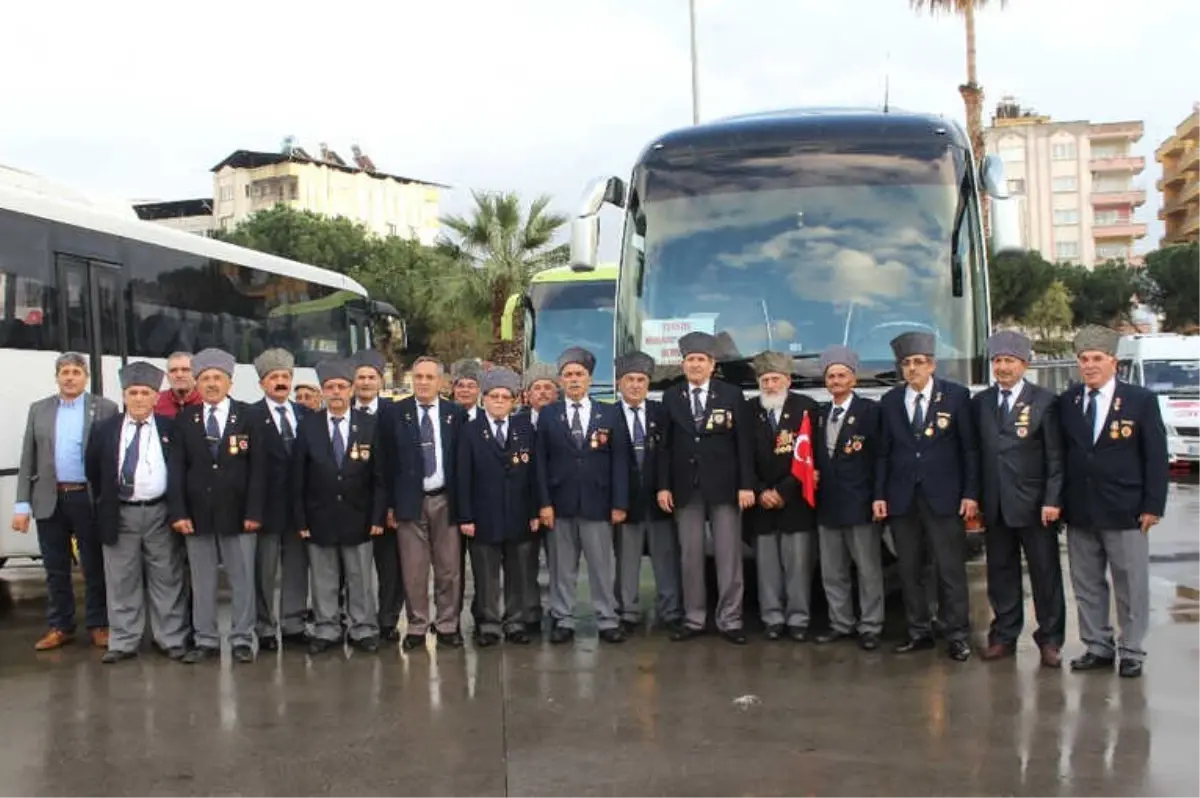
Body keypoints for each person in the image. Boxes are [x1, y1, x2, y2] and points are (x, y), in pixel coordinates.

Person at [1058, 325, 1167, 679]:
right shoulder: (1070, 401)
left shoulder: (1139, 400)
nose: (1089, 366)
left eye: (1097, 359)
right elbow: (1062, 454)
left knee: (1130, 584)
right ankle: (1097, 646)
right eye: (1084, 360)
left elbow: (1155, 456)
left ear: (1113, 363)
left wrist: (1153, 505)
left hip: (1126, 509)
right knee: (1087, 584)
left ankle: (1132, 650)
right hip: (1081, 509)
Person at [875, 332, 978, 662]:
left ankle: (957, 634)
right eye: (906, 364)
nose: (913, 369)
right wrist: (880, 494)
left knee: (949, 569)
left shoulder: (956, 397)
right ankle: (918, 631)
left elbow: (969, 451)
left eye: (919, 362)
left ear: (932, 365)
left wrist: (970, 493)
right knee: (910, 569)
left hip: (944, 496)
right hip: (903, 498)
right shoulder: (890, 402)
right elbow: (883, 454)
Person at [971, 331, 1066, 668]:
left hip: (1035, 505)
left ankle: (1050, 639)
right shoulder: (981, 403)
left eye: (1009, 361)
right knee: (1000, 573)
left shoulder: (1044, 401)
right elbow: (975, 453)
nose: (1003, 367)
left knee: (1045, 575)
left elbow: (1056, 457)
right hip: (995, 504)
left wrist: (1053, 499)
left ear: (1024, 364)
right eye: (997, 361)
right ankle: (1004, 636)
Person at [13, 352, 118, 651]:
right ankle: (61, 625)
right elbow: (27, 459)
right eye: (64, 372)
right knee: (55, 567)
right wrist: (22, 505)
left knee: (94, 565)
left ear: (85, 376)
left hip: (86, 498)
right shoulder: (39, 410)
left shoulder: (105, 409)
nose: (70, 377)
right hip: (49, 498)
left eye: (75, 372)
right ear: (57, 377)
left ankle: (99, 624)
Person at [86, 361, 190, 663]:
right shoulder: (104, 430)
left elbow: (180, 471)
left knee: (167, 577)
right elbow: (93, 469)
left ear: (157, 397)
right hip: (120, 513)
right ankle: (123, 641)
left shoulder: (172, 429)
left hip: (160, 512)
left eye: (146, 392)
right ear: (124, 395)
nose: (140, 398)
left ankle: (170, 638)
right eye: (133, 392)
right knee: (121, 579)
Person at [168, 348, 266, 664]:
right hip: (197, 516)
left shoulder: (249, 416)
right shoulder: (184, 420)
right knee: (203, 582)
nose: (211, 384)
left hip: (239, 515)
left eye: (217, 378)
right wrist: (179, 512)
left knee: (242, 582)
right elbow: (176, 471)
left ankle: (241, 638)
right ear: (197, 383)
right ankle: (206, 639)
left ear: (230, 382)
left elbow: (258, 471)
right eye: (206, 378)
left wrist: (254, 512)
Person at [657, 331, 755, 645]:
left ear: (712, 365)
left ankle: (730, 619)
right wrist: (663, 487)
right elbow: (664, 448)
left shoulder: (731, 394)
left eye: (701, 359)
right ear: (683, 364)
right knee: (690, 556)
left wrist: (746, 485)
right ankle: (694, 618)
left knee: (729, 556)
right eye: (690, 360)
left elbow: (743, 445)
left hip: (725, 487)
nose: (695, 365)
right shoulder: (672, 397)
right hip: (686, 488)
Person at [536, 347, 629, 644]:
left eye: (579, 374)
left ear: (590, 378)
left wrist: (619, 503)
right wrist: (544, 503)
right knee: (562, 568)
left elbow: (620, 461)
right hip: (560, 504)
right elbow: (539, 462)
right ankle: (563, 618)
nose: (574, 380)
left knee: (602, 566)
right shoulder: (549, 415)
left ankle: (607, 619)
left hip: (598, 503)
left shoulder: (610, 412)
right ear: (561, 381)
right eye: (568, 375)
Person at [293, 358, 387, 655]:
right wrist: (301, 519)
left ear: (351, 390)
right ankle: (327, 628)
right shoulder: (309, 426)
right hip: (318, 515)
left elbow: (380, 476)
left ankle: (363, 628)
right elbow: (298, 477)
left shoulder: (370, 425)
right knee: (323, 579)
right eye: (330, 387)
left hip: (358, 515)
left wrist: (377, 516)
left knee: (360, 577)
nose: (336, 392)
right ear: (323, 391)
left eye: (342, 387)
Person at [456, 367, 540, 646]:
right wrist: (465, 515)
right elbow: (462, 476)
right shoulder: (469, 431)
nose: (500, 401)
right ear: (485, 399)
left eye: (506, 397)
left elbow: (534, 475)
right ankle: (488, 624)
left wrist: (534, 512)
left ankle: (515, 621)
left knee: (519, 572)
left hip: (518, 515)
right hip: (483, 515)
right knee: (486, 575)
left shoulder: (525, 429)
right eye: (495, 396)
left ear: (515, 401)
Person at [393, 356, 468, 651]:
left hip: (445, 499)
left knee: (449, 568)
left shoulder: (455, 414)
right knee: (414, 569)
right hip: (410, 502)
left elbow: (462, 462)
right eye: (418, 376)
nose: (423, 382)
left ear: (441, 382)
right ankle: (416, 625)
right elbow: (387, 463)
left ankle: (448, 624)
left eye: (429, 377)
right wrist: (390, 506)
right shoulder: (396, 413)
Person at [812, 345, 884, 651]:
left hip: (860, 503)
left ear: (853, 380)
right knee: (833, 571)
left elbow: (880, 459)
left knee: (868, 570)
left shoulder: (869, 412)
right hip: (827, 505)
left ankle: (871, 625)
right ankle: (841, 623)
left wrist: (879, 497)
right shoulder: (819, 414)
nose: (836, 381)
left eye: (842, 375)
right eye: (831, 376)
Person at [748, 351, 820, 642]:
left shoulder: (807, 408)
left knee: (798, 565)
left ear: (788, 381)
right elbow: (741, 457)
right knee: (766, 568)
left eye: (775, 378)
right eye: (765, 379)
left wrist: (783, 491)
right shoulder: (748, 410)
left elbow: (810, 458)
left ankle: (799, 619)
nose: (770, 385)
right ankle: (773, 618)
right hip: (761, 502)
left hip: (795, 501)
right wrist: (760, 491)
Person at [613, 351, 682, 635]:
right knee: (626, 561)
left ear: (648, 384)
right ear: (619, 383)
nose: (635, 385)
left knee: (666, 559)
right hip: (625, 502)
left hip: (659, 500)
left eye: (641, 380)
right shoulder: (607, 415)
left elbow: (669, 453)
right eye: (629, 379)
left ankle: (671, 611)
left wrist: (666, 487)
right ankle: (627, 612)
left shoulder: (660, 413)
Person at [245, 348, 309, 650]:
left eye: (285, 377)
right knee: (265, 571)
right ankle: (265, 627)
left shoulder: (306, 415)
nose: (280, 382)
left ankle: (294, 623)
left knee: (296, 568)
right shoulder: (249, 417)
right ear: (262, 384)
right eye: (274, 378)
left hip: (298, 509)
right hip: (266, 508)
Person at [352, 349, 403, 641]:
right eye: (361, 378)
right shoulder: (340, 410)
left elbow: (399, 463)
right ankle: (355, 619)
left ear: (380, 382)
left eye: (372, 377)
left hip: (386, 505)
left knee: (389, 569)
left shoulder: (394, 413)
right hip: (351, 505)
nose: (366, 383)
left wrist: (393, 504)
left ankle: (387, 621)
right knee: (354, 569)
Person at [517, 360, 559, 633]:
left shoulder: (565, 418)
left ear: (557, 393)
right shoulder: (516, 422)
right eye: (537, 388)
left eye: (548, 388)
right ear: (527, 394)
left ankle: (558, 612)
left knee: (559, 562)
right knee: (525, 562)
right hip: (523, 505)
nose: (542, 393)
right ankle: (529, 613)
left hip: (557, 504)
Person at [154, 351, 202, 418]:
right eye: (173, 370)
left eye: (185, 370)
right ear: (167, 376)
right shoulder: (156, 401)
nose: (179, 375)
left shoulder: (206, 400)